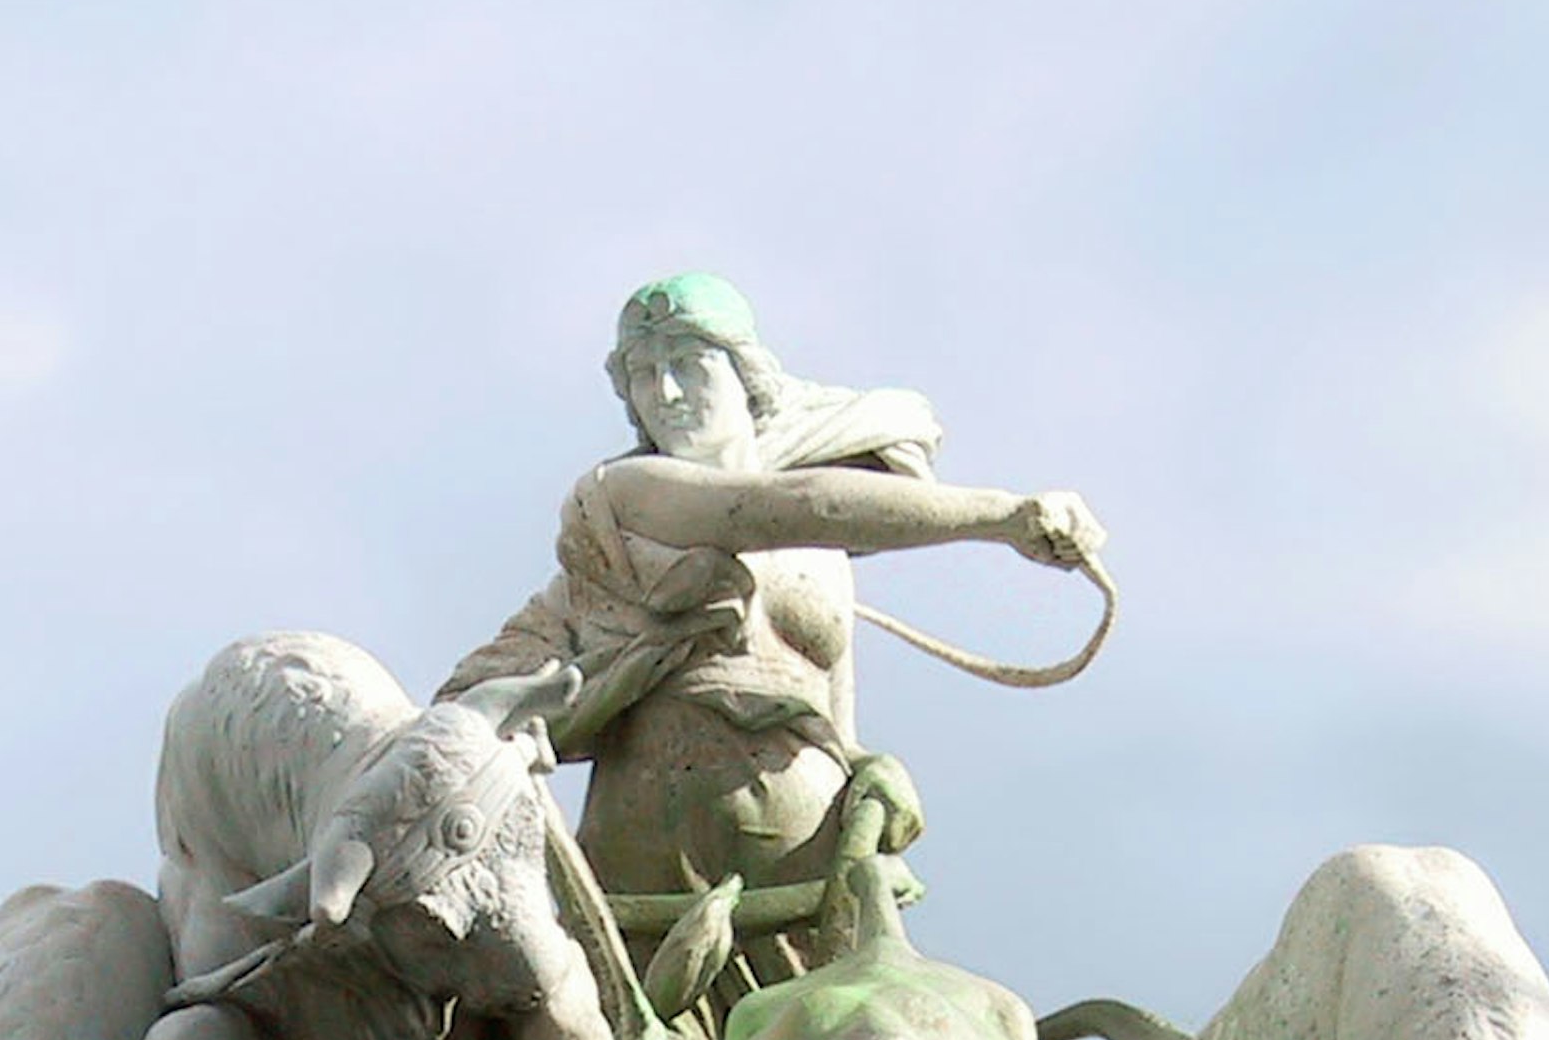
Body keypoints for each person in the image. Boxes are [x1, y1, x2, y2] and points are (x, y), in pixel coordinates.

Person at [443, 274, 1109, 986]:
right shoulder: (624, 497)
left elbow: (832, 708)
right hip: (654, 887)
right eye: (643, 374)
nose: (664, 393)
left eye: (687, 365)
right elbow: (791, 503)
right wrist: (1000, 516)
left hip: (809, 881)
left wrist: (868, 775)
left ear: (747, 376)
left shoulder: (824, 561)